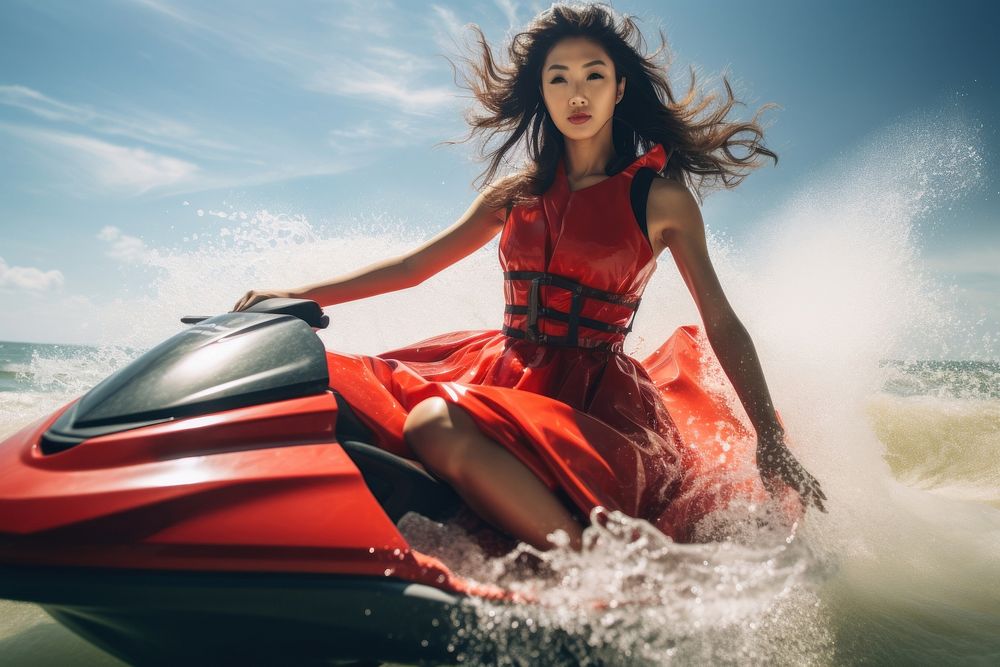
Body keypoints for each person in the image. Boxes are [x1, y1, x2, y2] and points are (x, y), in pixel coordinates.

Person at [232, 3, 825, 552]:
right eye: (558, 77)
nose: (577, 93)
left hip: (596, 401)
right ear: (542, 92)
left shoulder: (661, 198)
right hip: (503, 370)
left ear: (620, 88)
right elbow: (413, 268)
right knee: (331, 395)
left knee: (434, 424)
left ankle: (592, 567)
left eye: (594, 75)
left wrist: (768, 440)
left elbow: (720, 318)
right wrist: (298, 294)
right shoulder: (514, 194)